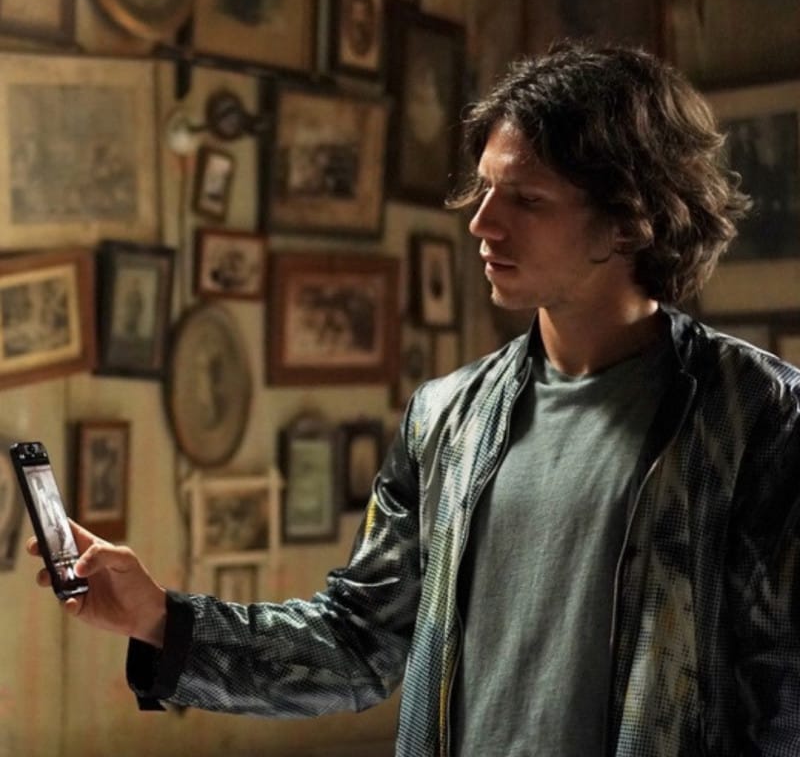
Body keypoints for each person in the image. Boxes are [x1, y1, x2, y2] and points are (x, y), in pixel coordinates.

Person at [28, 42, 800, 756]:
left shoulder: (757, 417)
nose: (482, 222)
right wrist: (159, 619)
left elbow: (783, 699)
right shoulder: (446, 418)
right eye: (485, 189)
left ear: (630, 218)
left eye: (527, 200)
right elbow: (360, 641)